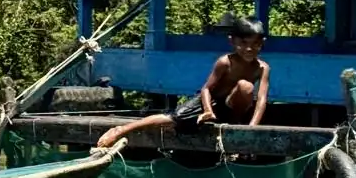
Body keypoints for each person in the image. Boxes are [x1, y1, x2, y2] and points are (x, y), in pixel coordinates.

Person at [96, 16, 270, 149]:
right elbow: (206, 90)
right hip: (210, 103)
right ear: (232, 41)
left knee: (245, 86)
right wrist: (208, 110)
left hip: (231, 108)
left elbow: (261, 99)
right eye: (243, 43)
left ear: (262, 44)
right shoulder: (225, 62)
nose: (249, 49)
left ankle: (236, 123)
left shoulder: (262, 68)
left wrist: (252, 129)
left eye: (255, 44)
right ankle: (121, 130)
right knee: (173, 118)